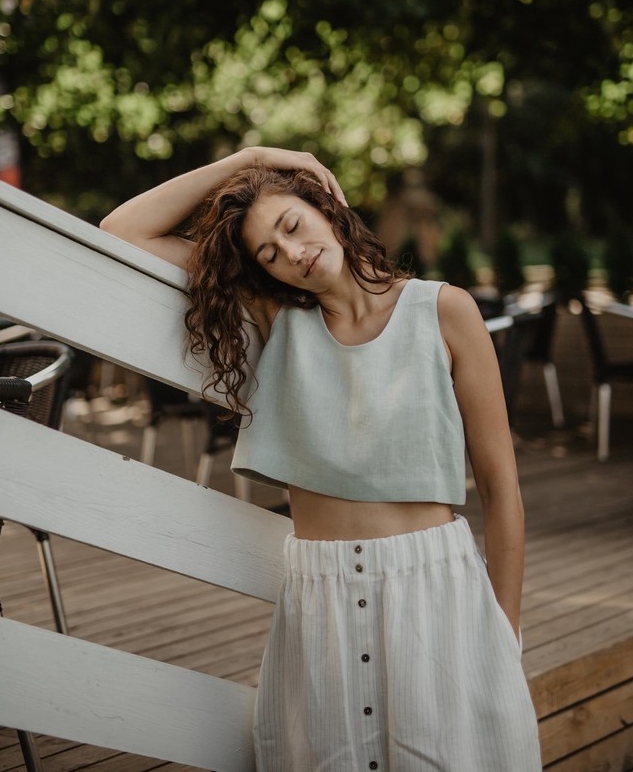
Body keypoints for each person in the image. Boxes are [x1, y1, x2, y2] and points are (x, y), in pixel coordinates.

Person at [100, 146, 542, 772]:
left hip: (435, 588)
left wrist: (506, 632)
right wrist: (252, 157)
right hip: (319, 593)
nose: (293, 253)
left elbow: (503, 492)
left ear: (327, 206)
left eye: (292, 224)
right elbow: (124, 230)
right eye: (270, 255)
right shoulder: (279, 316)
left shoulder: (445, 310)